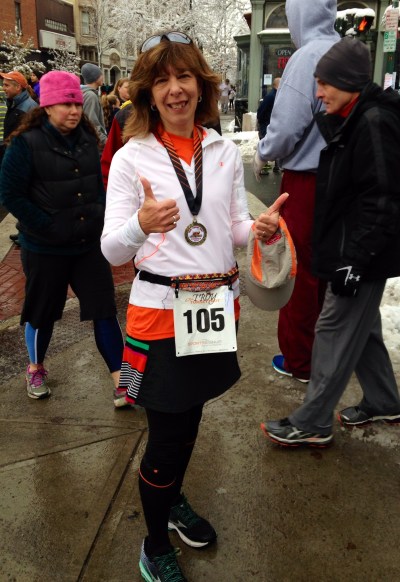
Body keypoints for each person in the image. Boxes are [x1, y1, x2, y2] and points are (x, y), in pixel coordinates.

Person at [101, 30, 286, 581]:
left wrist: (258, 228)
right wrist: (140, 225)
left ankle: (172, 499)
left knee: (191, 419)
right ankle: (154, 543)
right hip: (158, 314)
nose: (175, 89)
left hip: (213, 311)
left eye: (184, 76)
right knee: (165, 437)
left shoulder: (223, 151)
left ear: (201, 86)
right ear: (147, 93)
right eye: (162, 80)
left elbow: (230, 227)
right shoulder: (132, 157)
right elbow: (111, 249)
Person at [261, 37, 400, 448]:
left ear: (349, 82)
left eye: (324, 83)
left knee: (332, 329)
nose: (318, 92)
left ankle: (313, 421)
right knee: (364, 329)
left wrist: (354, 260)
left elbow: (384, 199)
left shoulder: (373, 122)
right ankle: (384, 400)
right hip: (358, 250)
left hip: (361, 254)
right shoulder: (354, 117)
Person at [0, 70, 124, 404]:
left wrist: (101, 216)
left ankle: (121, 380)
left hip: (87, 245)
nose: (74, 110)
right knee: (42, 313)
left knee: (104, 309)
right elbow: (11, 195)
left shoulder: (87, 139)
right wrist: (47, 225)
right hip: (45, 248)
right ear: (47, 106)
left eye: (77, 104)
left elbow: (98, 185)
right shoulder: (26, 143)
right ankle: (35, 367)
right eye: (66, 104)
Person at [253, 0, 340, 383]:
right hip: (341, 178)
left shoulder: (307, 57)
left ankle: (299, 358)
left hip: (306, 182)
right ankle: (324, 352)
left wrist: (264, 152)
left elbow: (287, 126)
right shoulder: (344, 50)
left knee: (297, 269)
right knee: (328, 272)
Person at [256, 77, 281, 174]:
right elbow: (261, 111)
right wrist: (263, 122)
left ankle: (275, 166)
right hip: (267, 124)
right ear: (277, 85)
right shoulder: (271, 96)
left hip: (270, 124)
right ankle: (262, 167)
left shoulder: (275, 95)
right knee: (266, 145)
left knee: (273, 144)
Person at [81, 63, 107, 150]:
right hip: (95, 145)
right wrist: (105, 141)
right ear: (95, 78)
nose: (102, 77)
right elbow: (92, 122)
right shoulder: (90, 96)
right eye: (100, 75)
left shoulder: (87, 93)